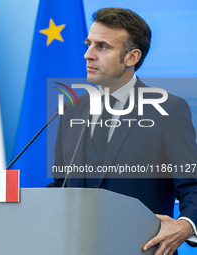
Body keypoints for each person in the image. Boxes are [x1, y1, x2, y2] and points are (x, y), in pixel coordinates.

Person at [47, 8, 197, 255]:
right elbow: (61, 185)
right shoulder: (72, 110)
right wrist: (17, 205)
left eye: (102, 47)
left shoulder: (168, 109)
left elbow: (192, 187)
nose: (88, 55)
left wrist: (185, 225)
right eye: (89, 44)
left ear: (132, 57)